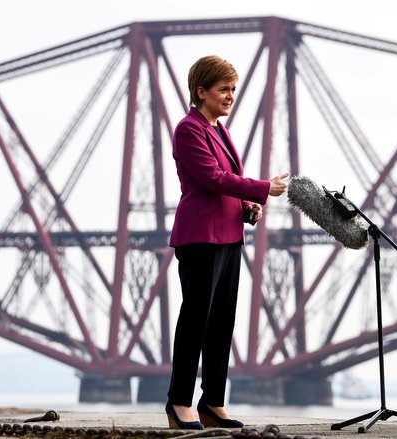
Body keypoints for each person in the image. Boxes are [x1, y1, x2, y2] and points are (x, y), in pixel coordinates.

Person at [165, 55, 289, 430]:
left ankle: (213, 403)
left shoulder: (219, 130)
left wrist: (249, 205)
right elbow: (213, 179)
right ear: (201, 92)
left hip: (229, 234)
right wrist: (265, 188)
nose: (231, 95)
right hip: (200, 237)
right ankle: (179, 403)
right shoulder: (189, 129)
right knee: (195, 321)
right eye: (223, 89)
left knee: (222, 322)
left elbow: (226, 185)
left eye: (233, 89)